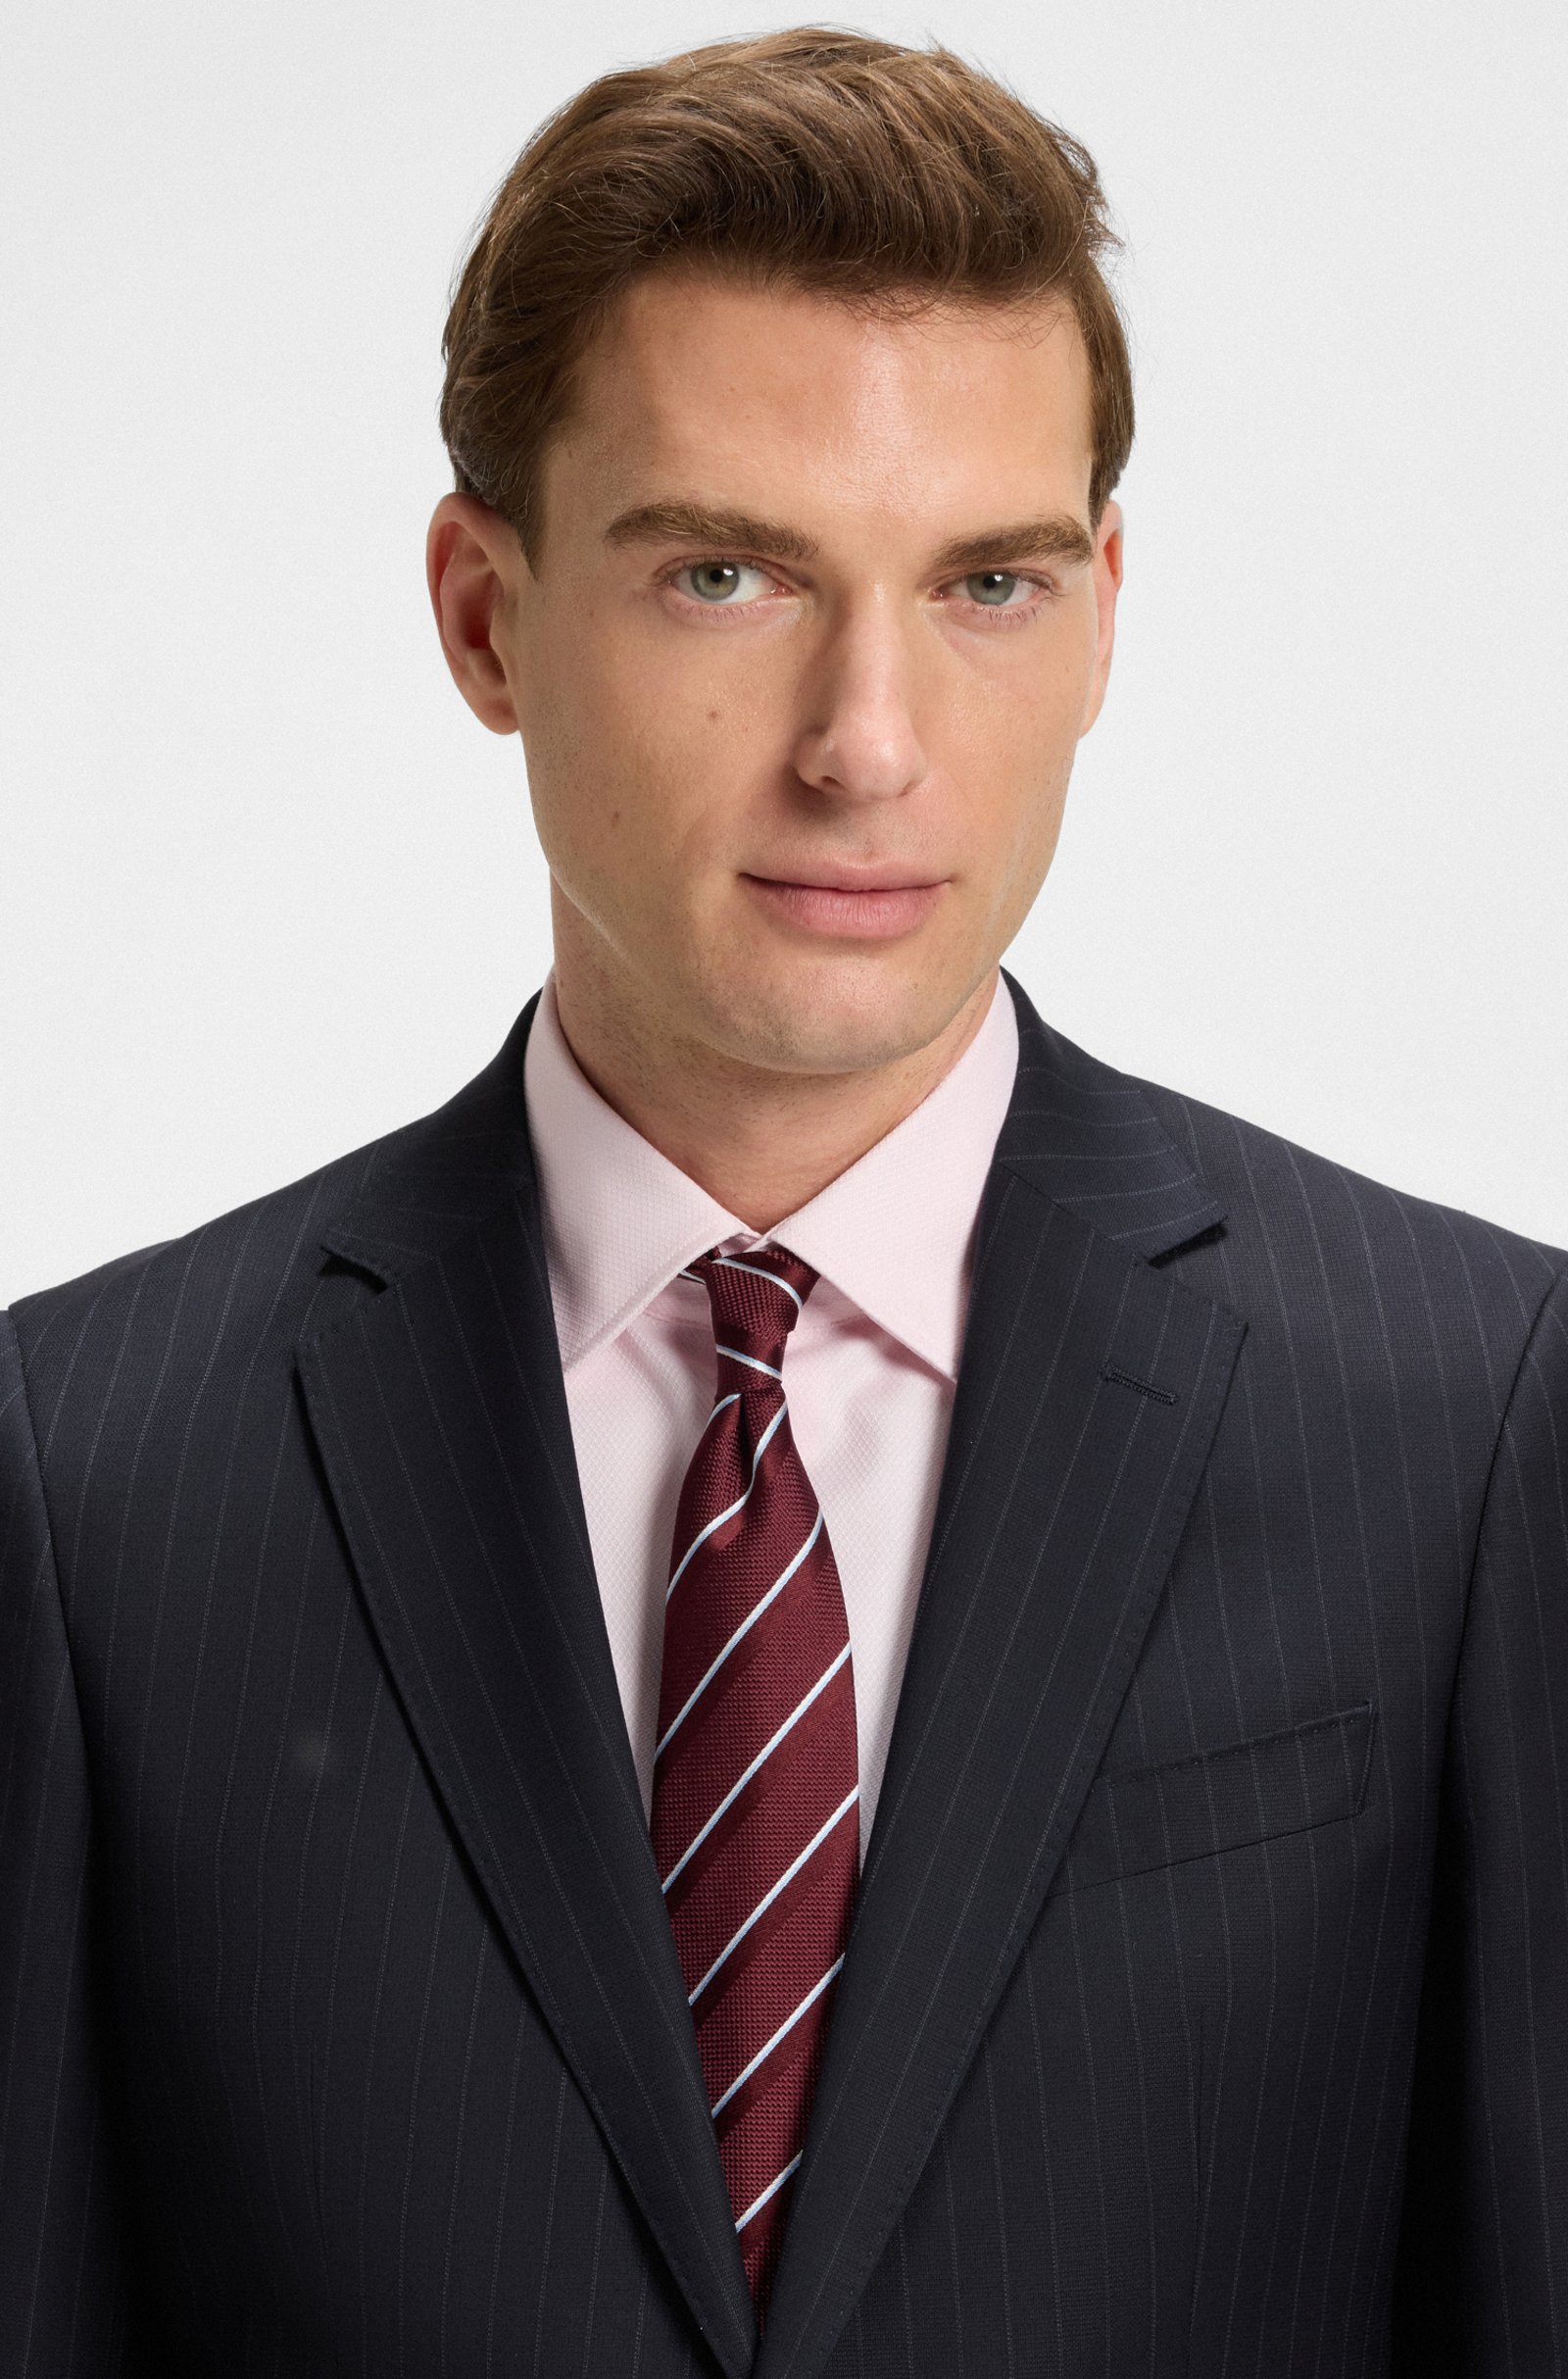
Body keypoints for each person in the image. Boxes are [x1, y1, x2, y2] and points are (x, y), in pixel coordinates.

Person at [2, 25, 1564, 2376]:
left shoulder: (1471, 1422)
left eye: (985, 583)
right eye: (725, 573)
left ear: (1105, 611)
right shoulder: (84, 1477)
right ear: (484, 616)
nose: (868, 741)